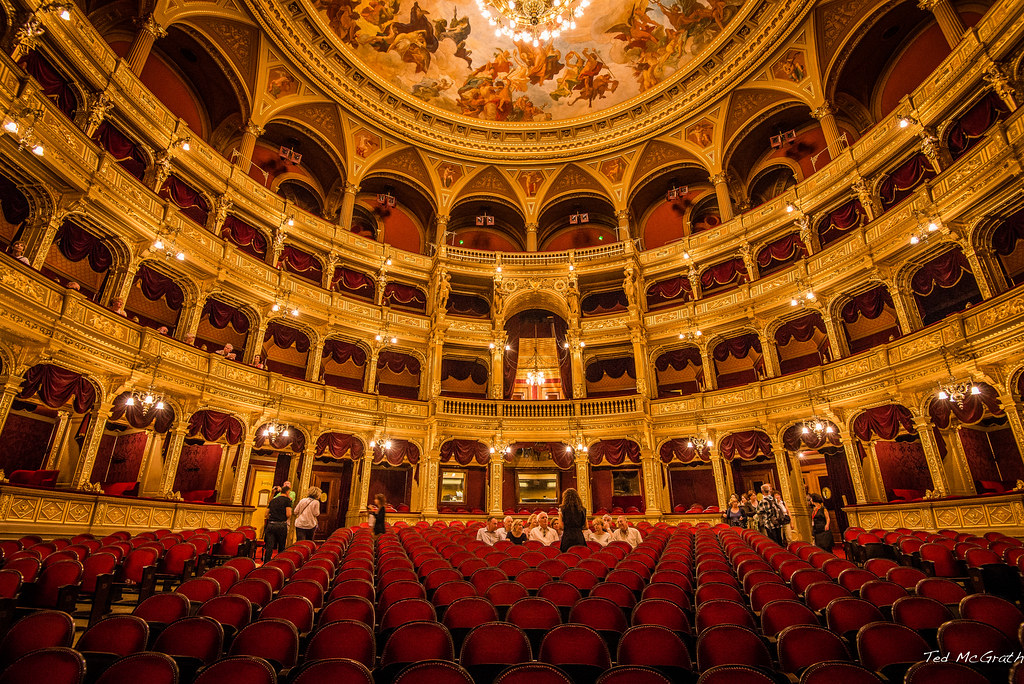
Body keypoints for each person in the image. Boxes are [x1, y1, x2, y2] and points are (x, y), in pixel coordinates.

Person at [264, 485, 292, 562]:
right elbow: (288, 514)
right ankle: (279, 562)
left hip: (271, 524)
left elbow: (266, 514)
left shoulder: (273, 500)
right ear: (287, 492)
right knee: (281, 546)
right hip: (281, 525)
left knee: (269, 546)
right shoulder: (287, 500)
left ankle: (266, 562)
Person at [559, 487, 587, 552]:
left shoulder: (563, 509)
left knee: (567, 557)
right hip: (579, 536)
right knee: (580, 555)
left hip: (567, 537)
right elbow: (586, 526)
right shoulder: (583, 509)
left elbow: (561, 526)